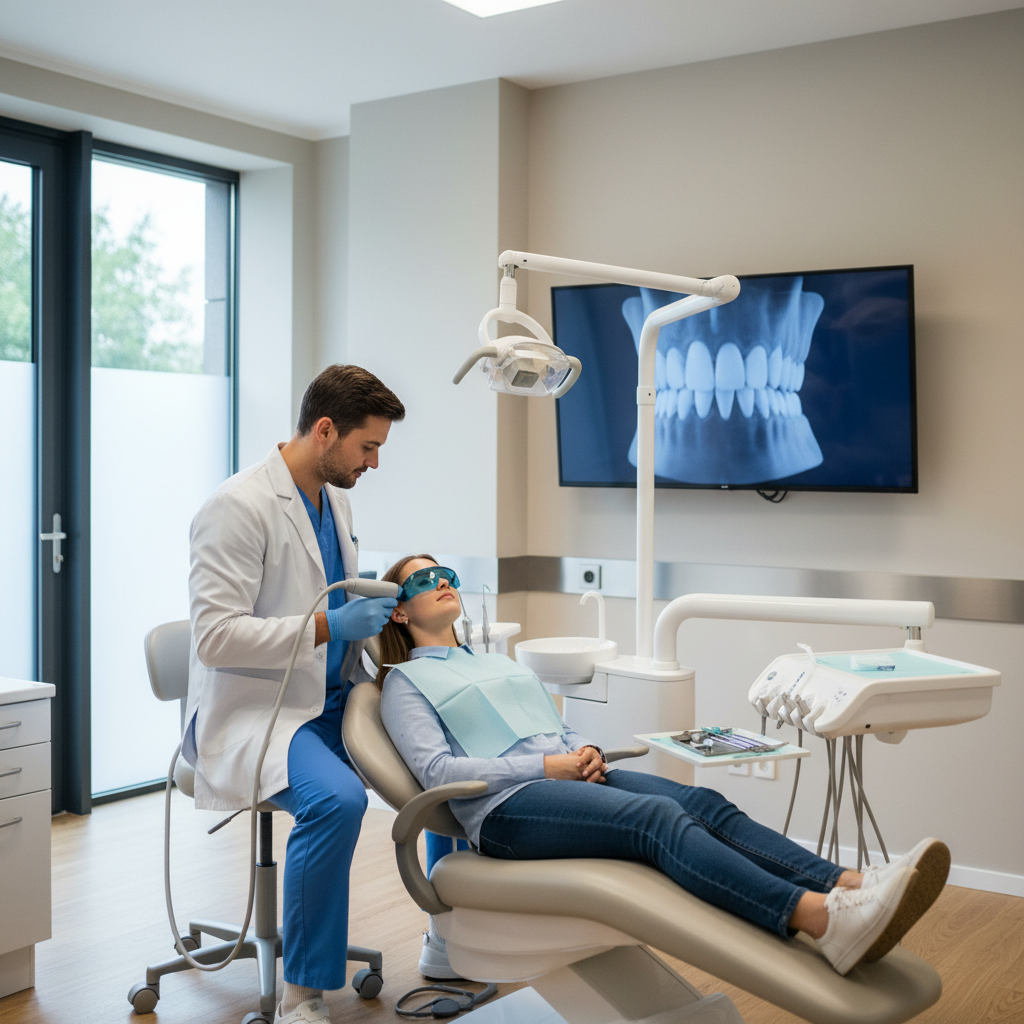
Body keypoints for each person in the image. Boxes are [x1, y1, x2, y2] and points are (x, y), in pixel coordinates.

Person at [377, 555, 951, 979]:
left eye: (446, 572)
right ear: (399, 610)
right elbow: (438, 773)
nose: (444, 582)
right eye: (424, 580)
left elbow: (552, 725)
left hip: (563, 776)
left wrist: (584, 750)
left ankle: (846, 883)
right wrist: (546, 766)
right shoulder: (405, 682)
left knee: (699, 803)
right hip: (505, 811)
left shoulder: (492, 663)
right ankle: (820, 918)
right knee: (655, 820)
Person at [185, 365, 405, 1024]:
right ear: (325, 430)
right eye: (367, 448)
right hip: (265, 712)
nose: (373, 463)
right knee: (337, 802)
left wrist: (378, 613)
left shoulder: (333, 496)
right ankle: (303, 995)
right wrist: (326, 626)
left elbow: (326, 589)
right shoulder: (237, 507)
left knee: (441, 760)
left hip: (335, 697)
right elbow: (214, 638)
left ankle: (451, 941)